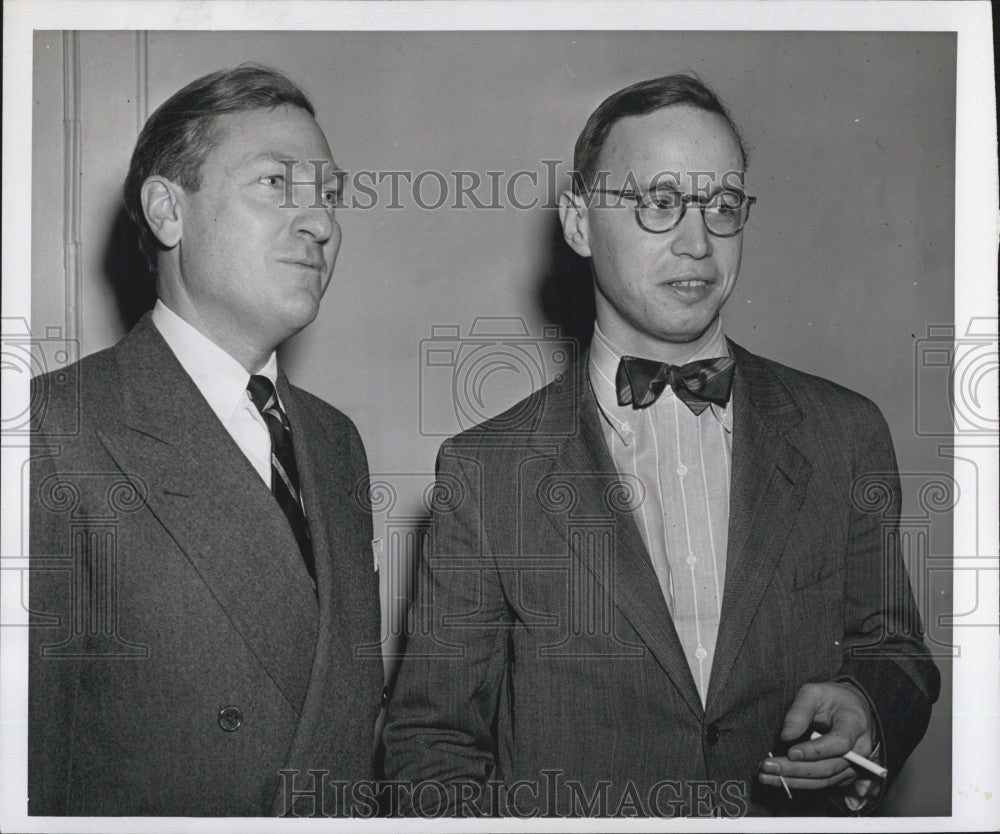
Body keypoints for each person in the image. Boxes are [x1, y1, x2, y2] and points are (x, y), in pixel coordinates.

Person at [382, 74, 940, 817]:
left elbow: (894, 649)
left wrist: (869, 702)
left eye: (723, 206)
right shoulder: (486, 474)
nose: (698, 241)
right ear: (579, 224)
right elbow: (431, 750)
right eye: (661, 201)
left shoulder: (844, 432)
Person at [29, 65, 382, 816]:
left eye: (327, 195)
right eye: (276, 184)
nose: (320, 222)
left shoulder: (334, 441)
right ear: (168, 211)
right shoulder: (54, 430)